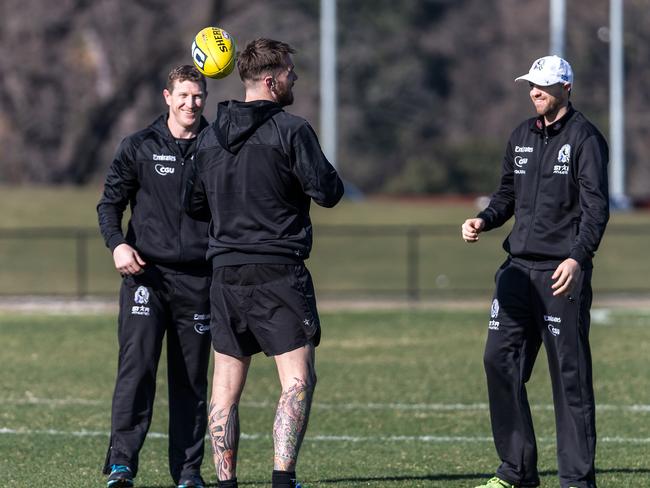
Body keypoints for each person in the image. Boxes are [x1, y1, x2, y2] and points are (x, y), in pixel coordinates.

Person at [185, 38, 344, 488]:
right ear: (271, 81)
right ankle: (281, 480)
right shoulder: (291, 130)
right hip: (278, 271)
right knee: (296, 380)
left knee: (225, 387)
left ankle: (225, 482)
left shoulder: (209, 136)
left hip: (225, 274)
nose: (295, 78)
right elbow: (328, 192)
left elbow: (194, 205)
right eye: (291, 72)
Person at [461, 55, 609, 488]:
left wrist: (577, 257)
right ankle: (516, 471)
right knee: (498, 361)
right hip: (516, 272)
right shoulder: (521, 135)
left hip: (561, 273)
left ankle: (577, 481)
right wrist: (485, 220)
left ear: (566, 88)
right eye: (530, 84)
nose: (534, 92)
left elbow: (596, 208)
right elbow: (506, 194)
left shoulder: (585, 139)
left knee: (570, 377)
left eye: (543, 85)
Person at [97, 65, 213, 488]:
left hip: (200, 281)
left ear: (205, 98)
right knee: (137, 370)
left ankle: (187, 472)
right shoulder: (139, 146)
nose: (190, 103)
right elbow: (109, 205)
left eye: (197, 95)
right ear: (167, 97)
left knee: (190, 381)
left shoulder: (217, 148)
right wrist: (118, 245)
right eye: (182, 95)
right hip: (146, 278)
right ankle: (122, 465)